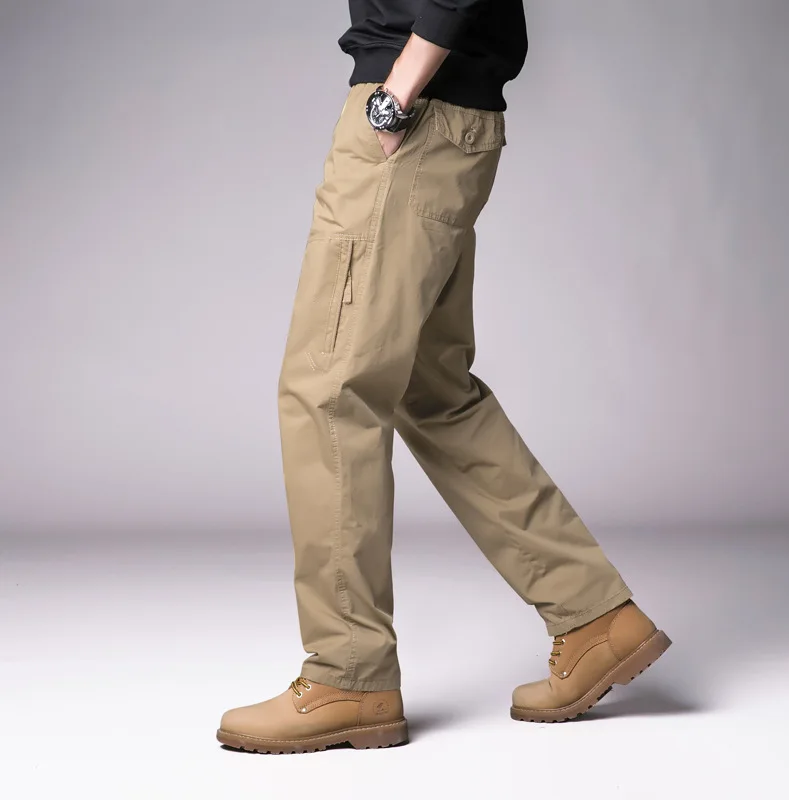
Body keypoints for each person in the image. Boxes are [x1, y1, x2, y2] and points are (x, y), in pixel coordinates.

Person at [216, 0, 671, 754]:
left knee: (329, 391)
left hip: (413, 113)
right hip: (450, 116)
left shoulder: (405, 98)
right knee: (433, 392)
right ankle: (594, 617)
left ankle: (348, 674)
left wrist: (397, 93)